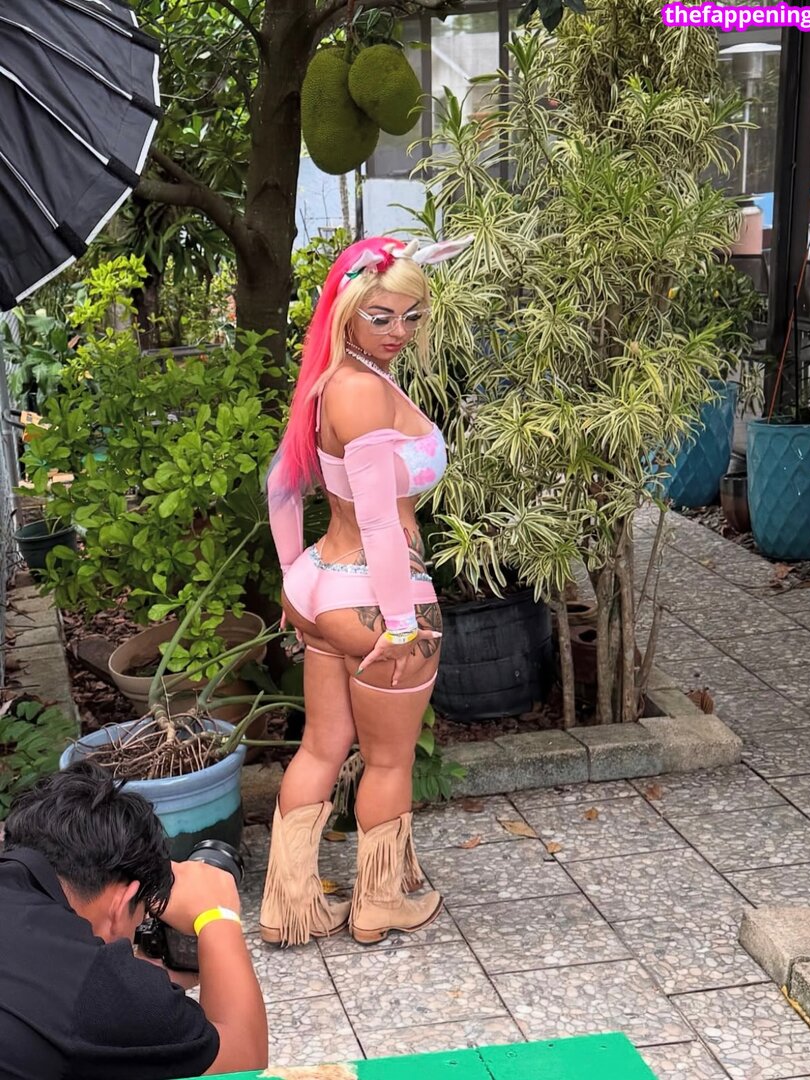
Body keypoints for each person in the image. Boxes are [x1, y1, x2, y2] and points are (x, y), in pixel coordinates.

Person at [262, 234, 471, 947]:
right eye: (380, 316)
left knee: (322, 747)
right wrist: (404, 624)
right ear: (347, 307)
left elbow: (280, 485)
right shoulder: (361, 390)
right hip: (380, 599)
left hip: (323, 583)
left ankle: (289, 906)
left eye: (412, 316)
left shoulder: (331, 379)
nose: (398, 332)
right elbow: (380, 519)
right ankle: (379, 901)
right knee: (388, 759)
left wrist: (292, 577)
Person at [0, 762, 268, 1079]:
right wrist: (218, 916)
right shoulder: (90, 982)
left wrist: (137, 977)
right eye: (139, 922)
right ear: (122, 901)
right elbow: (245, 1059)